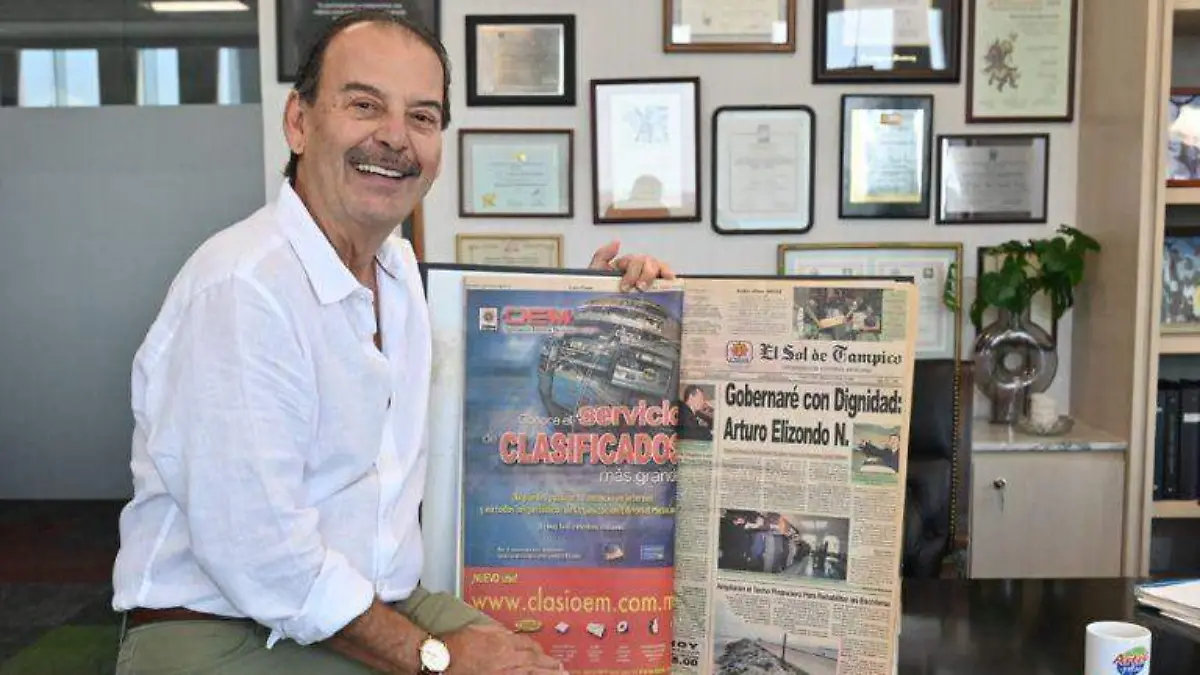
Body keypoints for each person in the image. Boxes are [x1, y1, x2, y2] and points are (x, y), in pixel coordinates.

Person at [111, 10, 675, 675]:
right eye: (364, 105)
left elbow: (493, 373)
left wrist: (597, 306)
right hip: (223, 627)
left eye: (422, 117)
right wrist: (437, 658)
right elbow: (262, 555)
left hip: (373, 598)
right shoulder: (242, 289)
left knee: (557, 661)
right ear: (298, 121)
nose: (395, 138)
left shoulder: (399, 273)